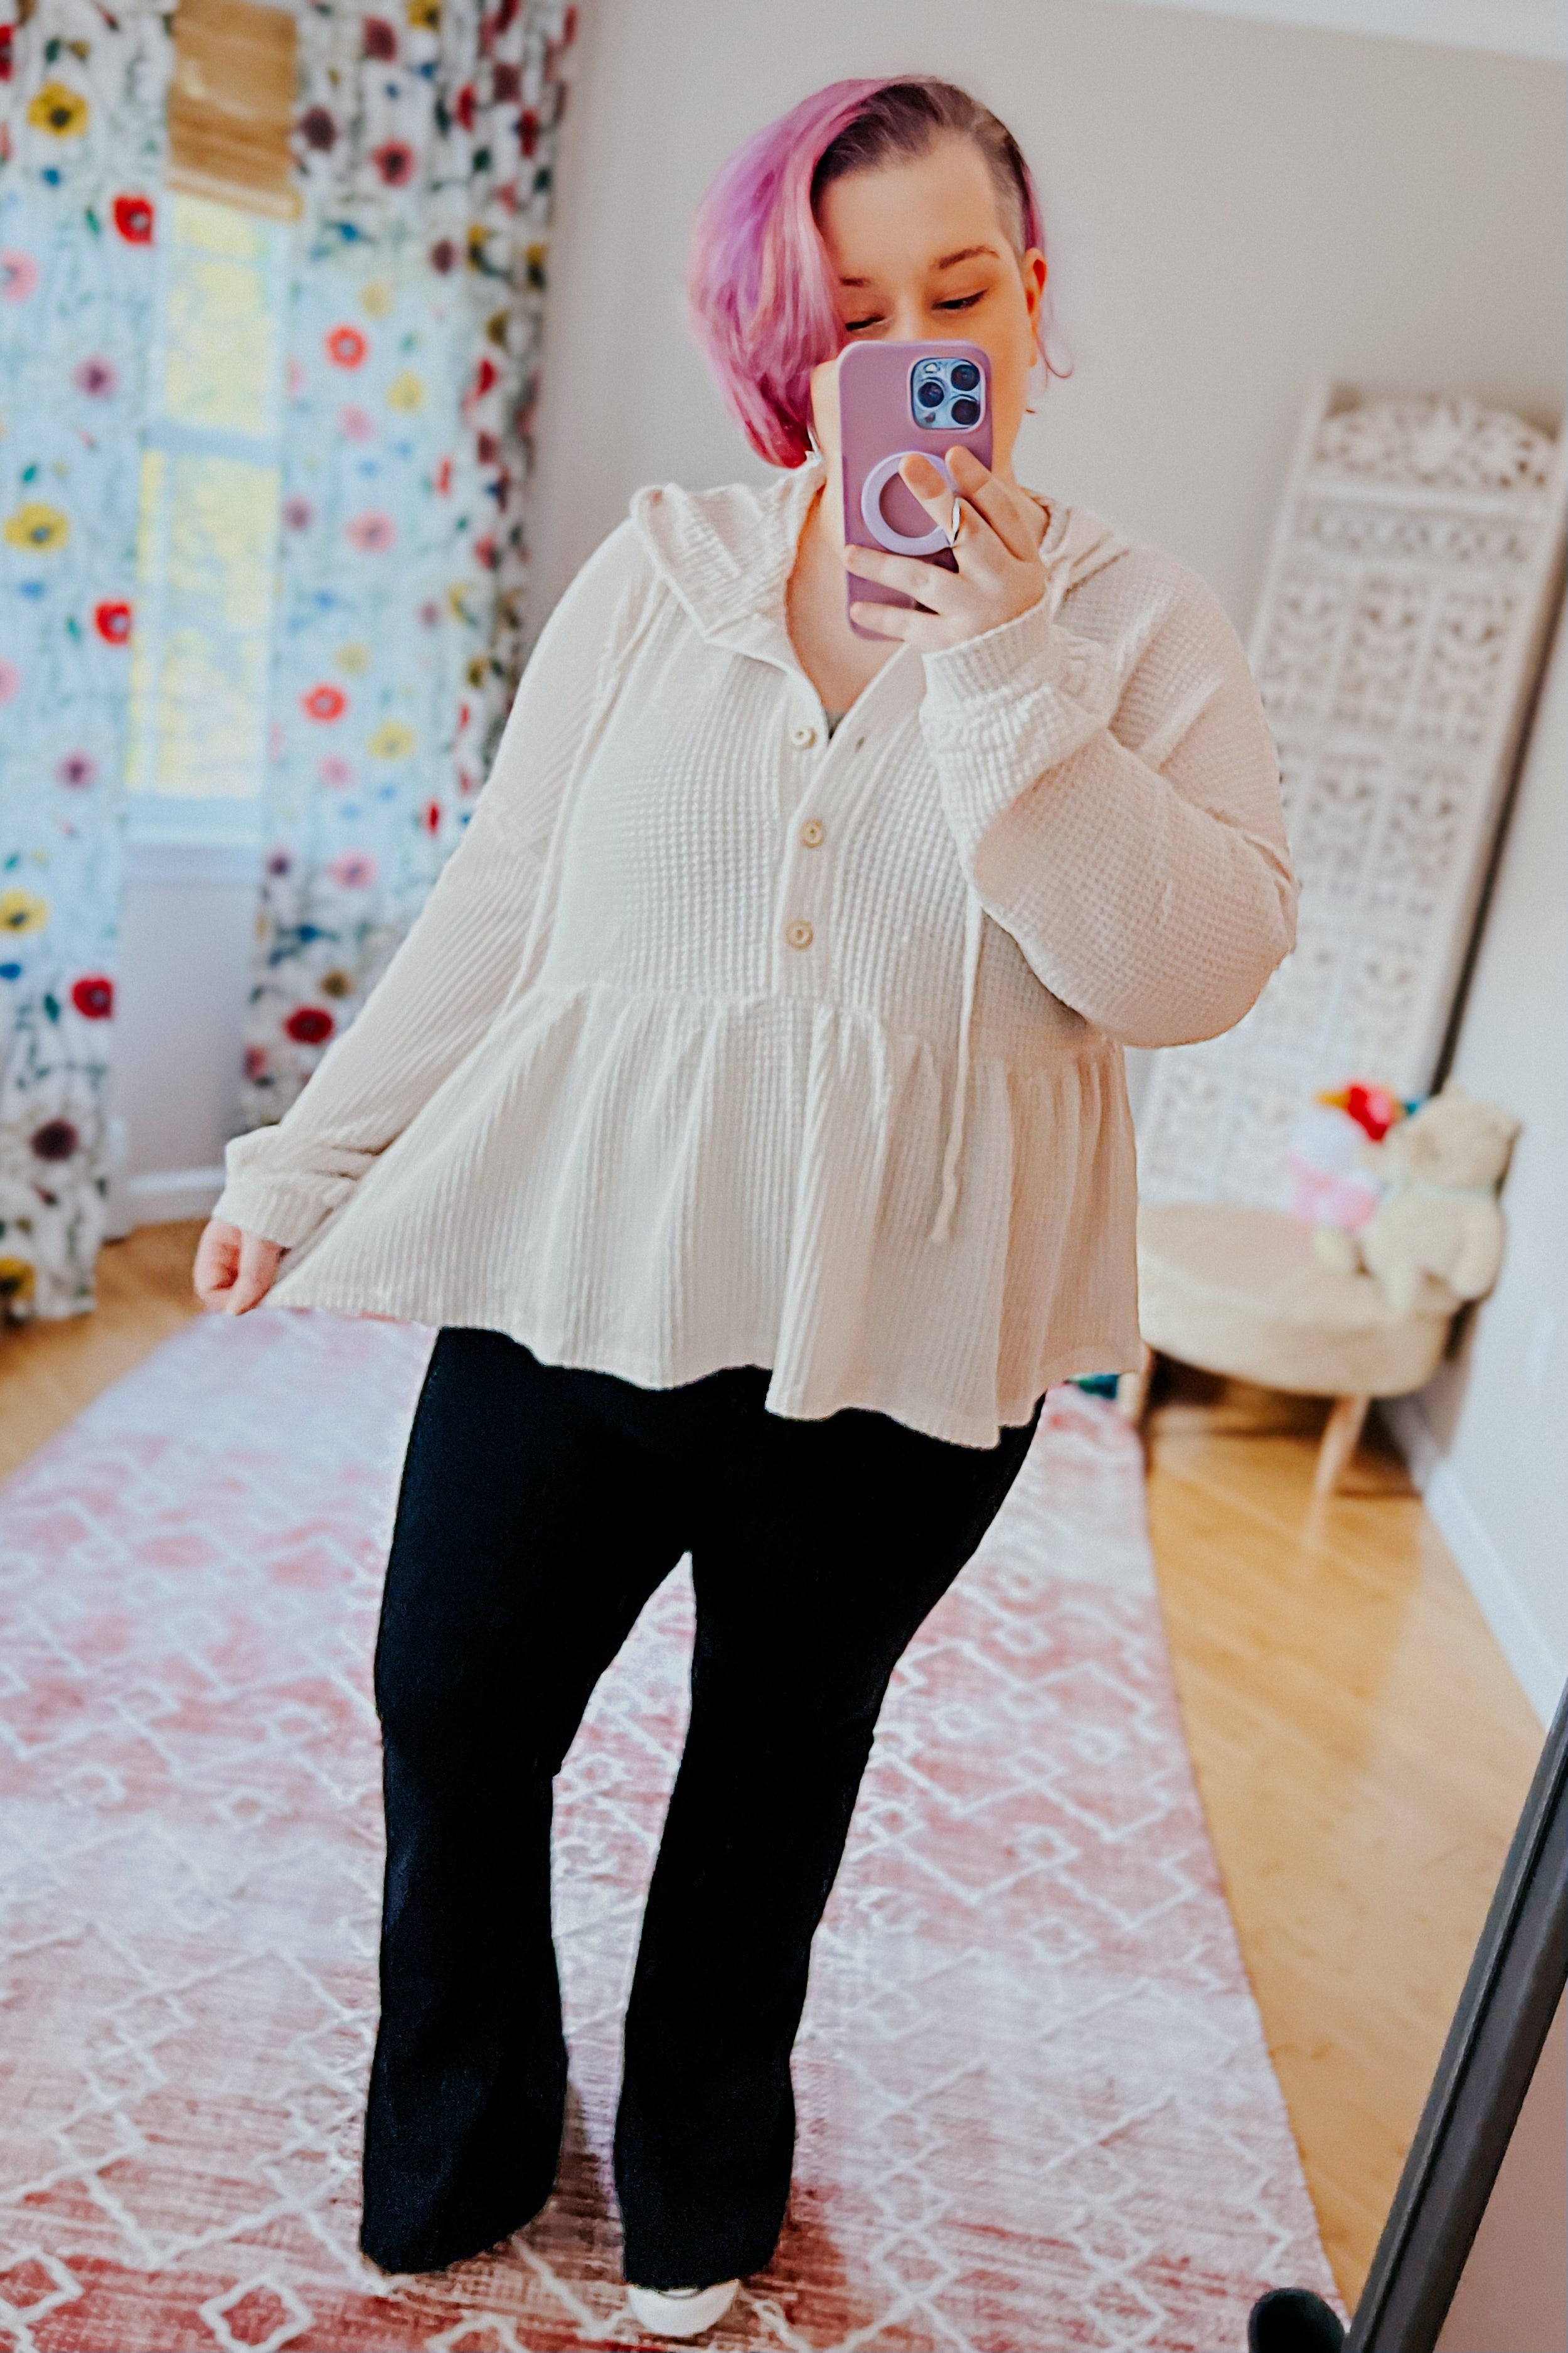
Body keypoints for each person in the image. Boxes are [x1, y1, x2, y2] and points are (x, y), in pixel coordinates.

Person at [194, 75, 1298, 2343]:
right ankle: (464, 2141)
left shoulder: (1131, 620)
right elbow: (505, 908)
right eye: (847, 303)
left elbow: (1188, 976)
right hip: (581, 1265)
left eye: (956, 293)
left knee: (765, 1790)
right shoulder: (667, 566)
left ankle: (703, 2175)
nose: (903, 341)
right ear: (779, 326)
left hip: (905, 1334)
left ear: (1033, 295)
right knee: (454, 1711)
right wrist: (309, 1161)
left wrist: (1001, 680)